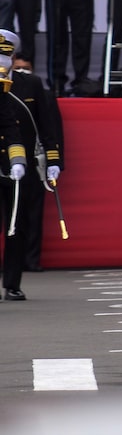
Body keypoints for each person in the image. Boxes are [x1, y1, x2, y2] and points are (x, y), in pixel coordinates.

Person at [1, 32, 62, 285]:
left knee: (17, 224)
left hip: (19, 167)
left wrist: (48, 161)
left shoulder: (29, 84)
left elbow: (39, 126)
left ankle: (12, 284)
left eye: (5, 57)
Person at [0, 31, 35, 298]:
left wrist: (17, 160)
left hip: (7, 170)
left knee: (14, 225)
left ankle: (12, 284)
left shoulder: (4, 92)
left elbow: (10, 128)